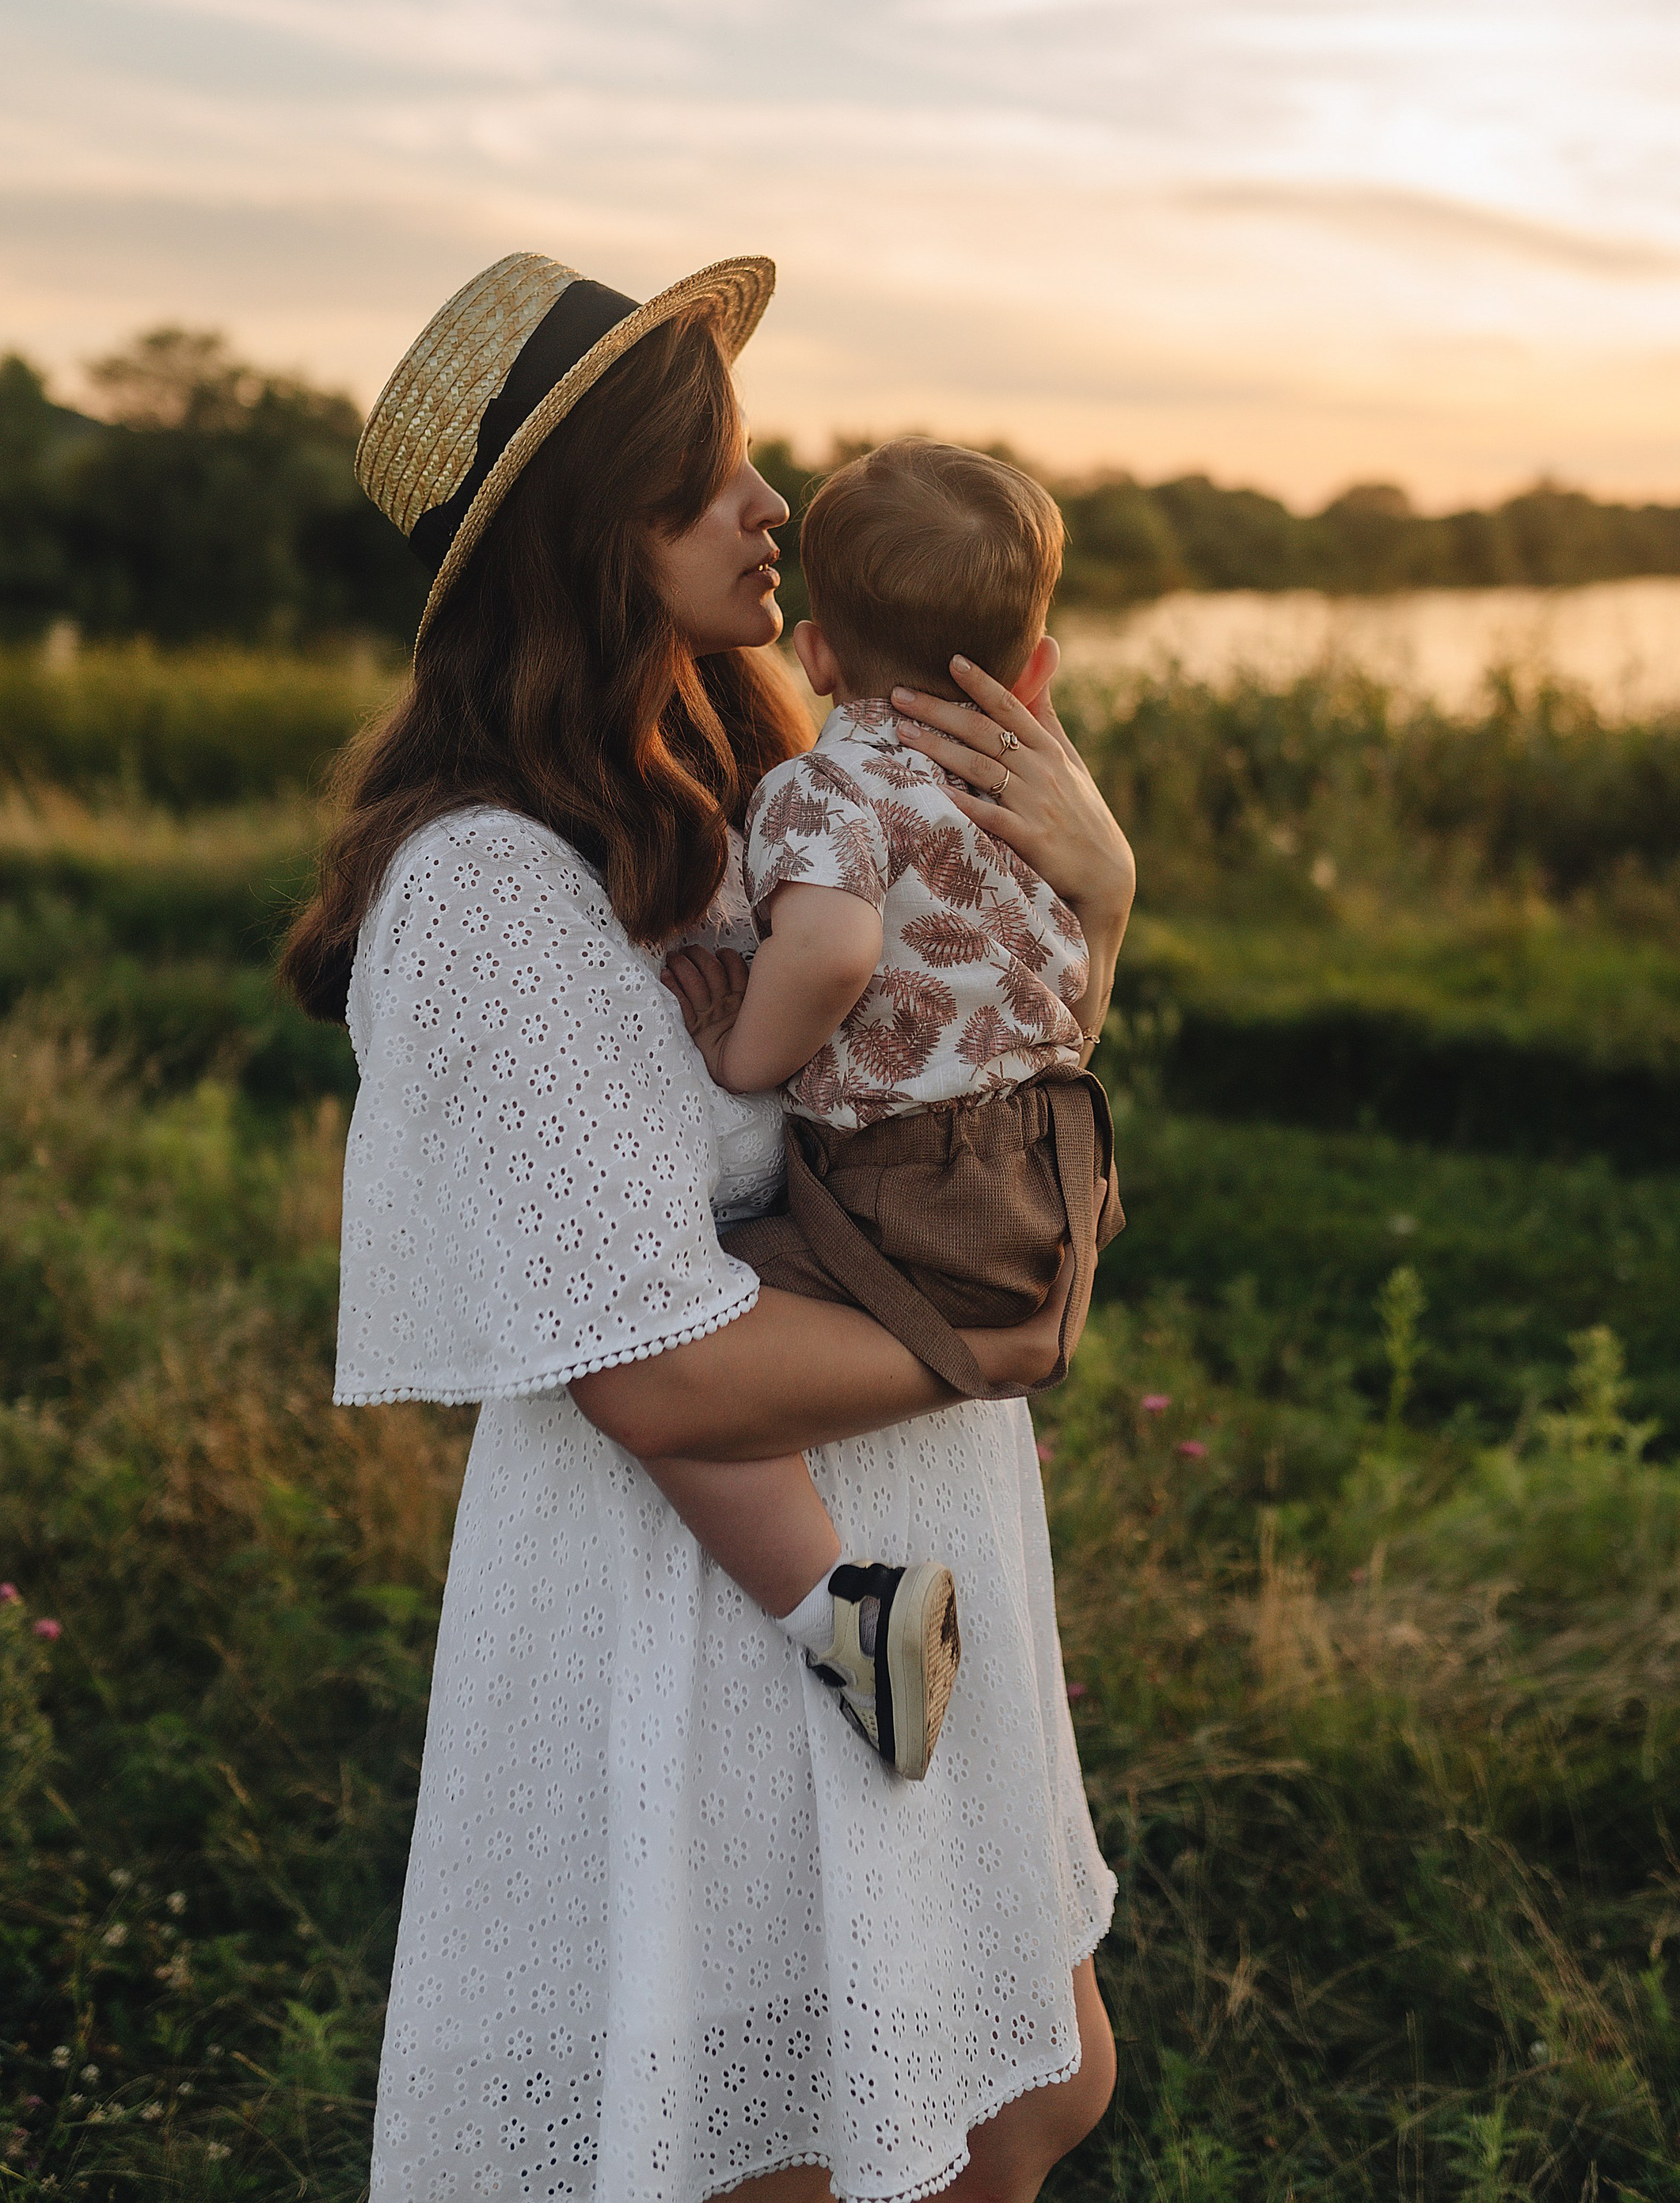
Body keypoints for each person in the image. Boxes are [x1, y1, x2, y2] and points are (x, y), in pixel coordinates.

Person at [280, 248, 1136, 2203]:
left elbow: (957, 1074)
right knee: (803, 2159)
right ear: (588, 536)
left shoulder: (754, 775)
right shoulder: (489, 889)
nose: (768, 507)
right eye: (706, 477)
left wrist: (1101, 894)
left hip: (914, 1553)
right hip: (712, 1657)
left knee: (1023, 2096)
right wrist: (1003, 1323)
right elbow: (662, 1369)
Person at [644, 441, 1124, 1786]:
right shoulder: (1022, 789)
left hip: (921, 1180)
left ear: (814, 654)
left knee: (667, 1342)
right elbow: (1057, 973)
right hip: (1060, 1154)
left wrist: (742, 1047)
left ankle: (844, 1617)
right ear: (1031, 667)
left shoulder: (824, 783)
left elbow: (838, 952)